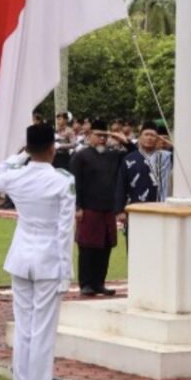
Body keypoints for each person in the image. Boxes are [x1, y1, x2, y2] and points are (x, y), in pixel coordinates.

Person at [0, 123, 74, 380]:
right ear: (52, 148)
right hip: (48, 258)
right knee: (42, 332)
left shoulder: (18, 175)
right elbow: (64, 229)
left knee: (24, 328)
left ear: (27, 148)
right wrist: (65, 271)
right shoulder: (62, 181)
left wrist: (17, 158)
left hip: (21, 254)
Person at [69, 119, 133, 296]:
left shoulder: (114, 155)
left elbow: (132, 152)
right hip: (88, 208)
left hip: (108, 210)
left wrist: (118, 137)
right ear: (89, 136)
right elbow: (75, 183)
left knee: (105, 247)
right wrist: (77, 206)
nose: (102, 139)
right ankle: (86, 283)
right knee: (88, 248)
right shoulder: (80, 156)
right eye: (99, 135)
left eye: (105, 136)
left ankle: (99, 283)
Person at [115, 121, 173, 245]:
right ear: (140, 137)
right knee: (134, 247)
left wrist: (169, 143)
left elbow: (182, 156)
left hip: (160, 208)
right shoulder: (129, 159)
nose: (149, 138)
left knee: (158, 247)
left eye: (153, 135)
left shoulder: (166, 157)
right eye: (146, 134)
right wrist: (120, 210)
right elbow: (121, 185)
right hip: (135, 209)